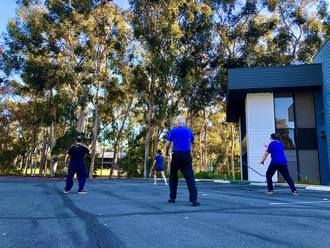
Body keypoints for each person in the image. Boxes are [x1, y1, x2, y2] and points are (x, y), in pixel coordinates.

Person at [165, 116, 199, 206]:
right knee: (190, 178)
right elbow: (193, 141)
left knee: (173, 176)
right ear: (184, 123)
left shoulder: (173, 130)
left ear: (177, 123)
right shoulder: (189, 131)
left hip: (176, 155)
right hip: (186, 156)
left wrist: (166, 152)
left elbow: (167, 144)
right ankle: (194, 199)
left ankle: (172, 198)